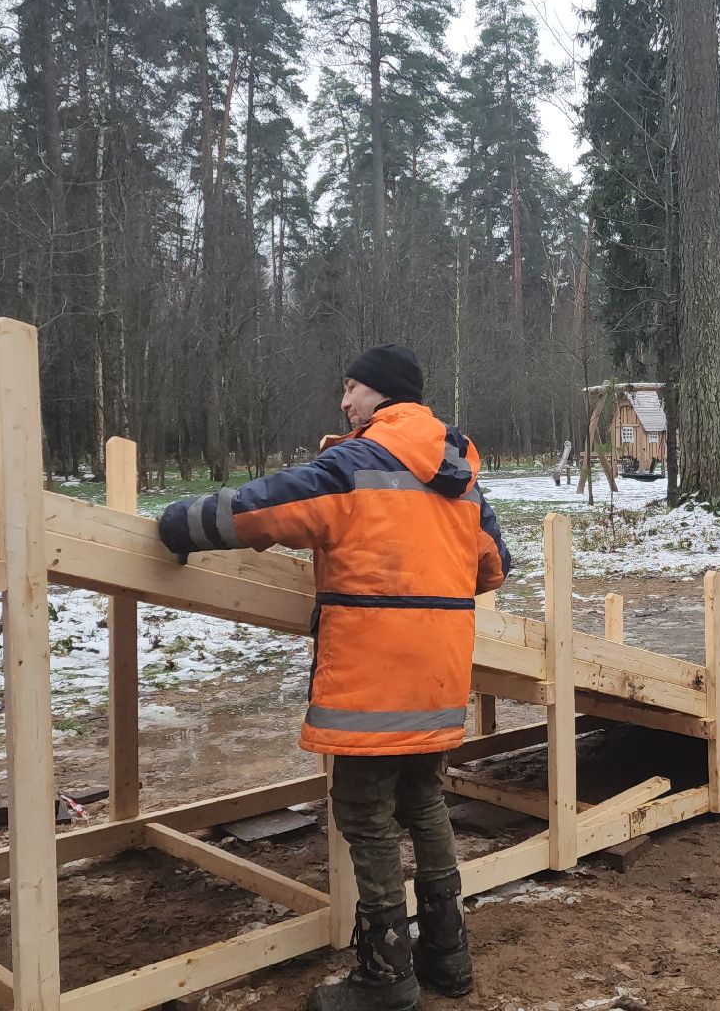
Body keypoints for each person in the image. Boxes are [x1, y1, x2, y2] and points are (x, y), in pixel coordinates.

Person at [159, 344, 511, 1011]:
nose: (344, 402)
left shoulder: (353, 464)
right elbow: (493, 567)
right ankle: (448, 954)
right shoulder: (462, 477)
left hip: (373, 679)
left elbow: (261, 510)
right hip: (438, 675)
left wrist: (180, 523)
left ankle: (385, 977)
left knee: (364, 814)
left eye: (351, 388)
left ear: (381, 395)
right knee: (425, 802)